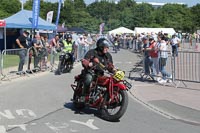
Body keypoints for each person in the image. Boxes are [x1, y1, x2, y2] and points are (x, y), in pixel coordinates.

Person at [80, 38, 115, 102]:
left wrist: (113, 69)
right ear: (101, 47)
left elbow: (110, 65)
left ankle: (104, 99)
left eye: (107, 47)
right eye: (105, 47)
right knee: (88, 79)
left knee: (108, 81)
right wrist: (88, 64)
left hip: (100, 74)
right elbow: (84, 60)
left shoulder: (108, 55)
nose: (107, 49)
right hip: (90, 72)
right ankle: (84, 95)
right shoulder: (92, 52)